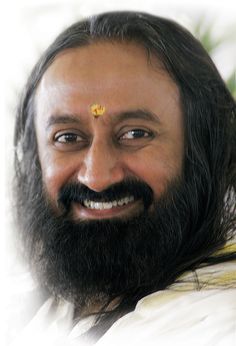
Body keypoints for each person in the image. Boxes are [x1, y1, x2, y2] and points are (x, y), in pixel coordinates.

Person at [12, 11, 235, 346]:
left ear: (205, 147)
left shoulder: (216, 323)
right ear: (33, 158)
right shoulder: (39, 303)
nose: (97, 177)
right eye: (68, 138)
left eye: (135, 133)